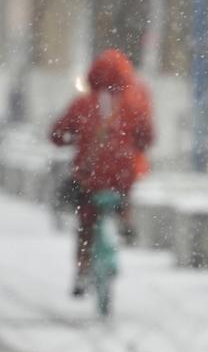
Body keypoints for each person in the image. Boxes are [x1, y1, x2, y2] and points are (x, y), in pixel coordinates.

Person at [49, 50, 154, 297]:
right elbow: (147, 137)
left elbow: (56, 134)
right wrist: (129, 145)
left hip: (90, 177)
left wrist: (72, 139)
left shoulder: (83, 104)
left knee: (86, 221)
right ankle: (125, 217)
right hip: (122, 177)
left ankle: (83, 268)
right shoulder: (133, 103)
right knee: (124, 187)